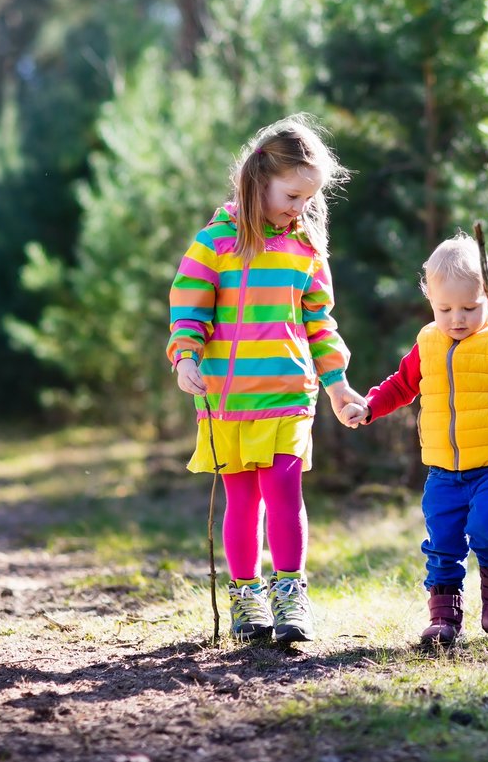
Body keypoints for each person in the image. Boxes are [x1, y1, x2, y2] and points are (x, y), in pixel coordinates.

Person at [167, 114, 364, 644]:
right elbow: (189, 307)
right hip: (228, 399)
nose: (299, 208)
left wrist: (338, 384)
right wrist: (185, 357)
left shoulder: (306, 249)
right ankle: (246, 595)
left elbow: (320, 323)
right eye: (292, 195)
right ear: (259, 180)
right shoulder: (216, 241)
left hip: (289, 394)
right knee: (243, 500)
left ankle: (291, 594)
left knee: (283, 491)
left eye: (308, 199)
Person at [342, 234, 488, 646]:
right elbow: (401, 384)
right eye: (444, 309)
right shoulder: (428, 342)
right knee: (442, 542)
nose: (456, 319)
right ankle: (444, 617)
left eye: (469, 308)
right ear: (430, 301)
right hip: (443, 468)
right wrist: (369, 406)